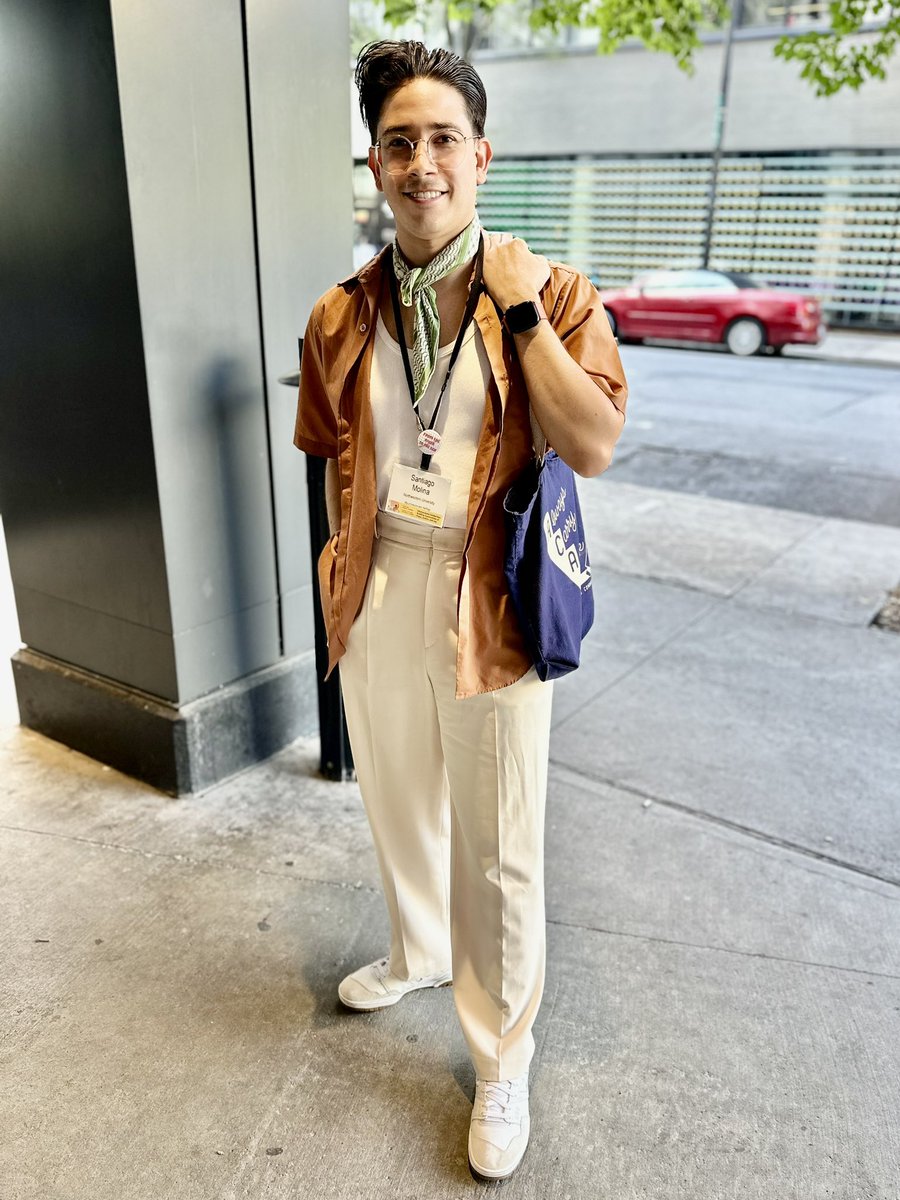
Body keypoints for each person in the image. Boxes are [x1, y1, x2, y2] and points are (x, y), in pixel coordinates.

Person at [294, 39, 627, 1182]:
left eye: (443, 139)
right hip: (381, 578)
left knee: (501, 849)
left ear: (480, 156)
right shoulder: (343, 312)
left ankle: (501, 1059)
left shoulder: (557, 291)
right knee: (399, 804)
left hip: (491, 592)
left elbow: (592, 442)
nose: (421, 161)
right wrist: (346, 568)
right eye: (399, 142)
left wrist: (525, 315)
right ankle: (418, 950)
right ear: (375, 166)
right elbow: (333, 450)